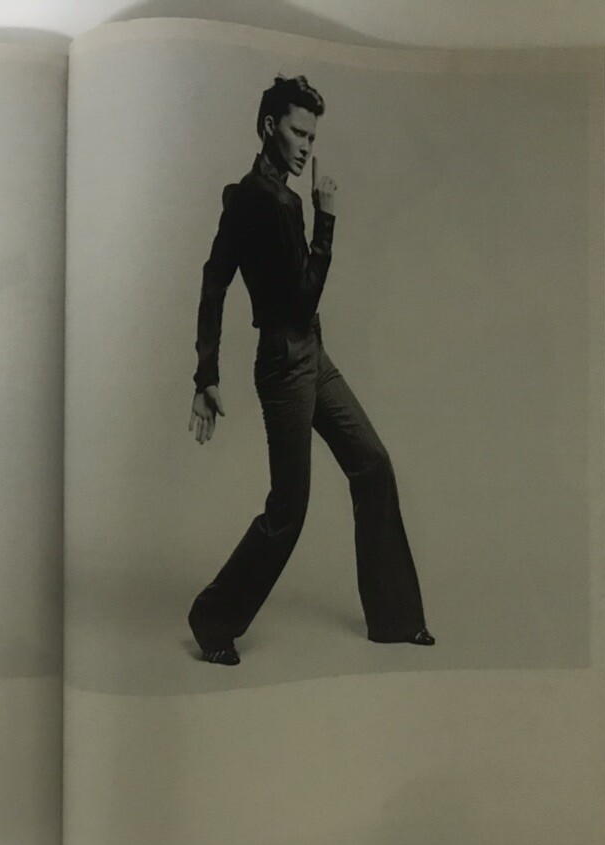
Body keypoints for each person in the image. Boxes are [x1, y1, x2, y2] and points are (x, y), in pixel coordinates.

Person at [187, 75, 433, 666]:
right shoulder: (274, 202)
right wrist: (327, 221)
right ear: (270, 127)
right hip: (285, 362)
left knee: (372, 464)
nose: (306, 146)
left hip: (310, 355)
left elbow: (214, 280)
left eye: (312, 136)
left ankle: (396, 619)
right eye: (298, 133)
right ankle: (213, 619)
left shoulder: (248, 194)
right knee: (289, 510)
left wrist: (206, 374)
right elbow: (300, 299)